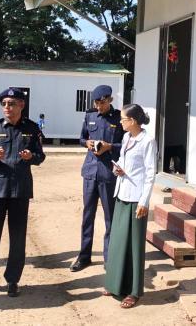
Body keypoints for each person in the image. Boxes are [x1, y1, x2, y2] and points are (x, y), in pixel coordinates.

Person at [0, 88, 45, 298]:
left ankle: (12, 280)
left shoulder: (32, 129)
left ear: (21, 105)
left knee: (18, 237)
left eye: (11, 103)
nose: (7, 107)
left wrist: (31, 156)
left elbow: (40, 156)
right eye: (4, 104)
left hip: (20, 190)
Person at [103, 104, 157, 309]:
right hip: (121, 194)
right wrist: (118, 169)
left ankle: (134, 292)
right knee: (118, 242)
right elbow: (124, 162)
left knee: (134, 247)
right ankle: (115, 284)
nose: (120, 122)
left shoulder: (148, 141)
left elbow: (150, 173)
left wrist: (144, 201)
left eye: (123, 119)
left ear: (133, 121)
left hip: (136, 199)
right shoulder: (126, 137)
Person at [71, 85, 124, 272]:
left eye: (102, 103)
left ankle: (109, 259)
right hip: (90, 173)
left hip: (108, 173)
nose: (99, 106)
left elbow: (126, 145)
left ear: (110, 100)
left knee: (110, 218)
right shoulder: (90, 116)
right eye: (96, 103)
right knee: (88, 216)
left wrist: (110, 146)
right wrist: (87, 143)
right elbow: (81, 138)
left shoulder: (119, 118)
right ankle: (84, 256)